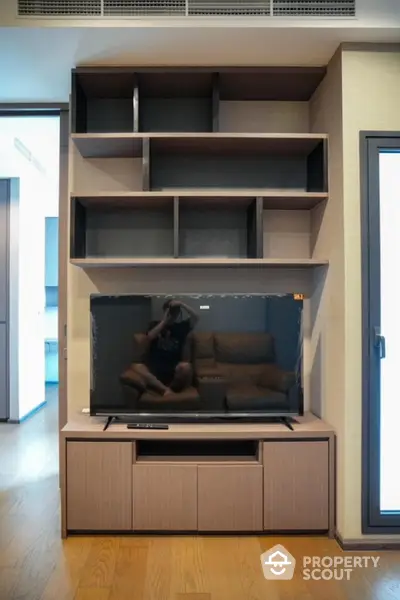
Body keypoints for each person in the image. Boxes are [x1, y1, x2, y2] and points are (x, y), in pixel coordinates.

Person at [134, 299, 199, 397]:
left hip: (173, 370)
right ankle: (165, 390)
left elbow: (196, 317)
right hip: (155, 368)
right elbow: (149, 337)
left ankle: (168, 388)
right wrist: (164, 321)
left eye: (175, 312)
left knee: (187, 367)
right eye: (170, 311)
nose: (173, 314)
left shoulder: (181, 327)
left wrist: (182, 304)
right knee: (137, 367)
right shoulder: (155, 325)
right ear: (165, 311)